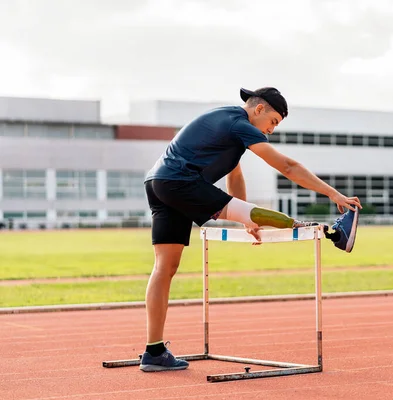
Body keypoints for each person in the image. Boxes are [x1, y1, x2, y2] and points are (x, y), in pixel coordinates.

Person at [140, 87, 362, 372]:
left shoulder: (225, 126)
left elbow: (234, 175)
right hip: (179, 183)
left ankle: (154, 351)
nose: (271, 130)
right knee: (254, 213)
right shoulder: (239, 124)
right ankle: (327, 230)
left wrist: (243, 218)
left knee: (164, 267)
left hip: (157, 184)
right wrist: (333, 194)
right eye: (273, 122)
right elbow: (288, 166)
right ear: (259, 109)